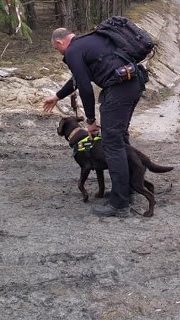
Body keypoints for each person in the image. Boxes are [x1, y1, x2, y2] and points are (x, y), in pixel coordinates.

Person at [43, 27, 147, 217]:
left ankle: (119, 204)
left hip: (118, 89)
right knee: (120, 138)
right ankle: (127, 190)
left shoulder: (73, 51)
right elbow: (77, 79)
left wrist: (90, 120)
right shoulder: (89, 42)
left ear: (59, 42)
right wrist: (57, 96)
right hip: (134, 82)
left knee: (111, 143)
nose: (59, 52)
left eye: (56, 49)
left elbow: (84, 87)